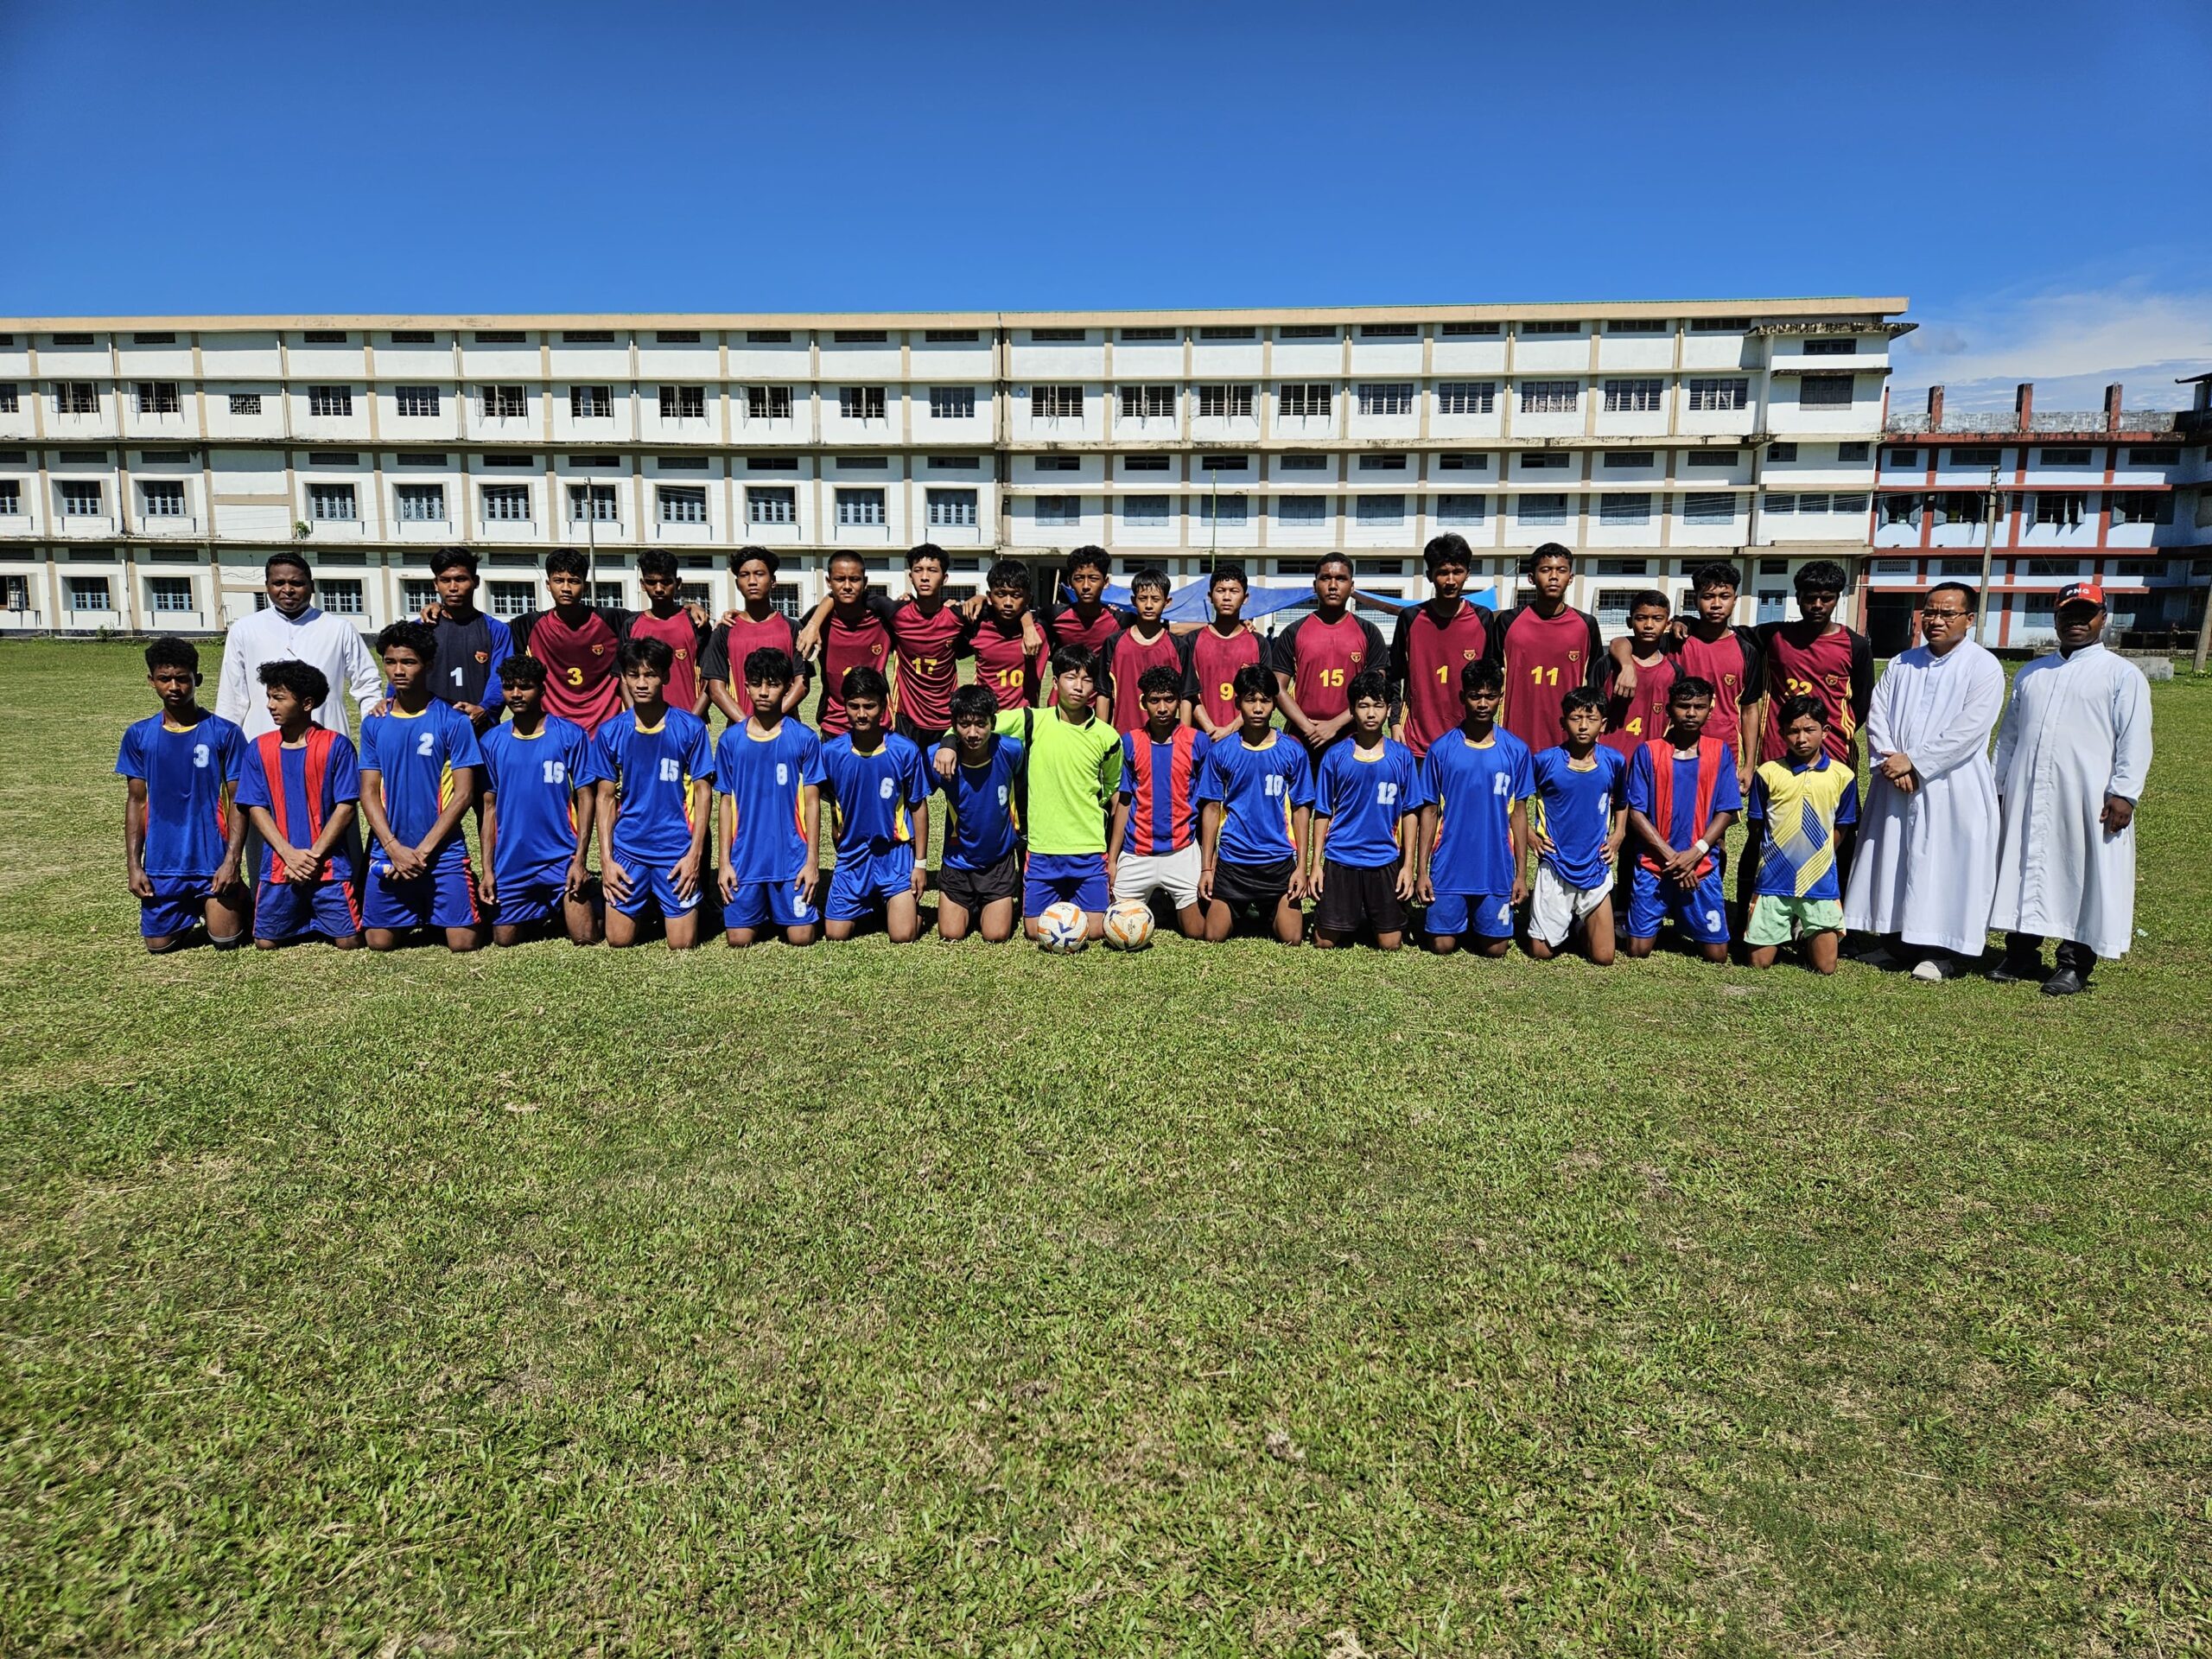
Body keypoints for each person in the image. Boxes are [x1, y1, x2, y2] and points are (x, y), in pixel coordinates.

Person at [1987, 582, 2152, 996]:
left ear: (2103, 618)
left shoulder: (2121, 675)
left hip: (2089, 794)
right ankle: (2021, 952)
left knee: (2082, 872)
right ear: (2056, 618)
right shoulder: (2032, 673)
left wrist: (2125, 792)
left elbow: (2134, 738)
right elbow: (2009, 736)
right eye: (2068, 614)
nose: (2076, 622)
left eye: (2086, 614)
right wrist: (1998, 784)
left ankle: (2074, 963)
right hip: (2028, 790)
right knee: (2022, 865)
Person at [1843, 583, 2005, 982]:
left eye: (1948, 614)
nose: (1936, 620)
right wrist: (1891, 760)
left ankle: (1940, 951)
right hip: (1894, 782)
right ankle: (1895, 943)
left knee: (1944, 864)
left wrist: (1915, 762)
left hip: (1951, 784)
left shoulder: (1983, 666)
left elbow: (1969, 729)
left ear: (1969, 619)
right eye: (1930, 612)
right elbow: (1877, 713)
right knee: (1893, 859)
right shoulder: (1902, 663)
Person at [938, 645, 1124, 941]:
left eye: (1087, 680)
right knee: (1035, 931)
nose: (1078, 686)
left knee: (1096, 931)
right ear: (1056, 681)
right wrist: (948, 743)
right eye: (1071, 677)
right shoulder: (1032, 720)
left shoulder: (1108, 736)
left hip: (1088, 846)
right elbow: (978, 721)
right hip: (1042, 847)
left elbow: (1112, 788)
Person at [356, 621, 484, 952]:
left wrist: (423, 852)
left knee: (463, 943)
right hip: (390, 850)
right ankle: (417, 907)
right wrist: (394, 848)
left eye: (408, 662)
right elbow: (368, 792)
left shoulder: (453, 721)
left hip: (442, 853)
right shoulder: (374, 723)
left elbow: (464, 794)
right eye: (390, 662)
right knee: (378, 942)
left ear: (428, 665)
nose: (398, 670)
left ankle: (452, 897)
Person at [117, 637, 248, 951]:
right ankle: (188, 909)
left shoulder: (225, 732)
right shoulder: (139, 735)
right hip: (162, 866)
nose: (174, 687)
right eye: (164, 679)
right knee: (158, 946)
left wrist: (231, 861)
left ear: (197, 679)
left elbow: (239, 801)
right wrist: (134, 866)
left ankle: (240, 898)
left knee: (226, 940)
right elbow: (137, 801)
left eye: (182, 678)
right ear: (152, 681)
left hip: (212, 864)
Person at [585, 636, 716, 950]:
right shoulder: (610, 732)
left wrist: (695, 855)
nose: (642, 683)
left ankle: (682, 902)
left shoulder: (690, 728)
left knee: (682, 944)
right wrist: (606, 860)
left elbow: (703, 792)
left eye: (650, 674)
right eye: (634, 675)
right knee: (618, 940)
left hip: (675, 849)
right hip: (629, 848)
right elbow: (604, 798)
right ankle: (642, 899)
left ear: (666, 676)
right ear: (624, 678)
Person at [233, 661, 364, 950]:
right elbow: (255, 807)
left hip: (327, 867)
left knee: (349, 941)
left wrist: (313, 857)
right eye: (269, 697)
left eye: (279, 698)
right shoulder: (258, 748)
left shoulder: (337, 745)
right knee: (266, 943)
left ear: (307, 704)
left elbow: (346, 808)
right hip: (280, 866)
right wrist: (289, 854)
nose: (270, 705)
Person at [794, 542, 969, 747]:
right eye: (840, 579)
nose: (847, 586)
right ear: (828, 582)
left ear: (865, 582)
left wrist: (969, 601)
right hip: (834, 726)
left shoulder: (884, 619)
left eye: (855, 579)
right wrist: (814, 624)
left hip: (880, 725)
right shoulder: (816, 620)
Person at [477, 654, 598, 948]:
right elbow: (489, 809)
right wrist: (488, 870)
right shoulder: (491, 742)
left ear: (542, 689)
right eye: (509, 687)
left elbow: (585, 796)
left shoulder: (570, 735)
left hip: (561, 859)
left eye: (525, 686)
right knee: (504, 940)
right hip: (513, 863)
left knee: (585, 937)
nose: (516, 694)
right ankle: (541, 909)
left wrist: (580, 860)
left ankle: (594, 900)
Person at [1415, 658, 1530, 957]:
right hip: (1450, 864)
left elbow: (1519, 813)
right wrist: (1421, 871)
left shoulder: (1517, 750)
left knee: (1495, 949)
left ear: (1500, 698)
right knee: (1442, 945)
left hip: (1495, 865)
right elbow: (1429, 811)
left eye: (1490, 696)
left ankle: (1478, 914)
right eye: (1475, 696)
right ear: (1462, 697)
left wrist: (1520, 874)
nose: (1482, 704)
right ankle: (1458, 912)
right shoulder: (1441, 749)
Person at [1623, 676, 1740, 963]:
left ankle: (1684, 917)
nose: (1691, 713)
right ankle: (1666, 913)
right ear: (1669, 709)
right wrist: (1673, 859)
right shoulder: (1648, 751)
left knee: (1717, 955)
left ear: (1710, 710)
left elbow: (1726, 810)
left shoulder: (1719, 751)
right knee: (1638, 950)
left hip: (1701, 865)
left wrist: (1696, 853)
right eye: (1683, 706)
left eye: (1699, 707)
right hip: (1655, 864)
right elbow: (1636, 813)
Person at [713, 647, 823, 949]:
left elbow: (813, 803)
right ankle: (760, 905)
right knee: (738, 939)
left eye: (773, 684)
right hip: (745, 859)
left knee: (802, 937)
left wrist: (812, 861)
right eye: (756, 683)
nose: (763, 692)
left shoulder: (804, 738)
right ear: (745, 685)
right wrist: (724, 863)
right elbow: (726, 803)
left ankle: (780, 904)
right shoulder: (730, 740)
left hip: (791, 859)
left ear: (787, 687)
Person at [1196, 663, 1313, 945]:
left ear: (1275, 704)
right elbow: (1211, 809)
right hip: (1234, 861)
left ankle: (1267, 907)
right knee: (1213, 935)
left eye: (1265, 700)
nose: (1258, 708)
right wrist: (1207, 868)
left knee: (1292, 937)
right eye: (1250, 700)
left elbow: (1301, 809)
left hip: (1277, 861)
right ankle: (1240, 906)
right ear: (1238, 703)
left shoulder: (1292, 751)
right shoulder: (1221, 751)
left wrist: (1301, 867)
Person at [1740, 695, 1859, 974]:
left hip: (1819, 882)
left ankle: (1807, 932)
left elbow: (1842, 827)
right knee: (1759, 963)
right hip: (1773, 881)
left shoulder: (1843, 776)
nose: (1801, 738)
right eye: (1793, 731)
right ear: (1782, 733)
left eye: (1809, 730)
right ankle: (1785, 929)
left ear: (1825, 731)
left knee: (1826, 967)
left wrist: (1819, 856)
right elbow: (1756, 825)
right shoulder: (1768, 772)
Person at [1307, 669, 1424, 950]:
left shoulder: (1402, 757)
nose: (1371, 713)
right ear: (1351, 710)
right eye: (1363, 706)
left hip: (1383, 859)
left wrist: (1408, 865)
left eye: (1378, 705)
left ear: (1388, 710)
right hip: (1341, 857)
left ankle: (1369, 911)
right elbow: (1322, 811)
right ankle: (1351, 909)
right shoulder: (1335, 756)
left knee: (1391, 943)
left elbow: (1410, 811)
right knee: (1324, 941)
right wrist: (1316, 865)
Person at [214, 552, 383, 740]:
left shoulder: (339, 629)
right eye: (279, 583)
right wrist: (224, 742)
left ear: (311, 586)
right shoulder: (244, 629)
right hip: (261, 739)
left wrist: (375, 732)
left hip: (327, 739)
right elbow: (232, 697)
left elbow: (367, 685)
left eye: (297, 583)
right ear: (267, 586)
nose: (287, 590)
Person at [818, 665, 931, 943]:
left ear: (883, 706)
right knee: (835, 934)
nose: (861, 714)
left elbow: (918, 807)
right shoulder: (830, 753)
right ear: (844, 705)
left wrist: (920, 864)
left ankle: (904, 909)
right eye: (853, 706)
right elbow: (827, 802)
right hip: (852, 857)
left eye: (869, 706)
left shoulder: (905, 751)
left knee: (903, 935)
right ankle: (878, 902)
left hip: (894, 855)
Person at [1526, 684, 1627, 964]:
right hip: (1555, 863)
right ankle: (1566, 921)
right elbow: (1517, 801)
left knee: (1604, 957)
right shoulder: (1544, 761)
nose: (1583, 726)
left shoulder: (1614, 762)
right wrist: (1530, 836)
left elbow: (1622, 801)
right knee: (1541, 953)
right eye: (1575, 718)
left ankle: (1580, 924)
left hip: (1595, 865)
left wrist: (1619, 833)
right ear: (1563, 722)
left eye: (1591, 719)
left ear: (1603, 724)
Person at [1109, 665, 1211, 938]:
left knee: (1197, 932)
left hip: (1182, 851)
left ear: (1179, 701)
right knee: (1115, 929)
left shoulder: (1198, 742)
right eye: (1155, 700)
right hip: (1137, 852)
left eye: (1169, 699)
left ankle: (1167, 902)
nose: (1163, 708)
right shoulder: (1130, 741)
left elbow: (1207, 806)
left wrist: (1207, 862)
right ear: (1144, 702)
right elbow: (1125, 801)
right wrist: (1113, 859)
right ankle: (1157, 900)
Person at [1756, 559, 1874, 768]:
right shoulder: (1773, 636)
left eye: (1826, 598)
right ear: (1798, 598)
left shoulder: (1855, 645)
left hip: (1833, 749)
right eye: (1810, 598)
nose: (1818, 605)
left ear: (1837, 599)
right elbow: (1724, 634)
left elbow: (1862, 703)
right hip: (1778, 749)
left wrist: (1833, 729)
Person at [1490, 543, 1604, 755]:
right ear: (1531, 578)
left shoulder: (1586, 625)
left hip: (1567, 743)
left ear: (1570, 577)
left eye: (1561, 570)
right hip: (1514, 739)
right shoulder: (1508, 621)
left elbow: (1596, 685)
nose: (1553, 577)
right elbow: (1491, 676)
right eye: (1545, 570)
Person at [1272, 552, 1389, 758]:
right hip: (1303, 739)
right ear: (1315, 585)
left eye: (1341, 579)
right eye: (1325, 578)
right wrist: (1309, 728)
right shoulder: (1293, 632)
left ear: (1352, 587)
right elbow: (1277, 688)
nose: (1333, 585)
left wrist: (1335, 724)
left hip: (1353, 739)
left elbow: (1377, 689)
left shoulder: (1369, 632)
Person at [932, 683, 1025, 944]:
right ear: (954, 725)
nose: (973, 733)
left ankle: (989, 904)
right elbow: (916, 799)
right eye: (964, 725)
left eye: (981, 724)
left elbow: (1022, 787)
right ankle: (971, 904)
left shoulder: (1011, 750)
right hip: (957, 862)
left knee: (996, 935)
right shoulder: (938, 758)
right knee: (950, 934)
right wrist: (947, 742)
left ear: (992, 723)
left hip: (998, 861)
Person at [1389, 532, 1492, 760]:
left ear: (1468, 574)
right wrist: (1395, 722)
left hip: (1467, 740)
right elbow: (1394, 675)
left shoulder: (1483, 618)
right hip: (1416, 742)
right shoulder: (1410, 618)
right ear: (1430, 575)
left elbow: (1490, 681)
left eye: (1458, 572)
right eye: (1443, 572)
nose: (1451, 580)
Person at [399, 549, 513, 733]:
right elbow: (402, 676)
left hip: (478, 729)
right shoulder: (419, 629)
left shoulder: (496, 630)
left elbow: (500, 678)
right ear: (436, 584)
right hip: (427, 729)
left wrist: (485, 708)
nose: (453, 587)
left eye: (461, 579)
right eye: (445, 580)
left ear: (475, 582)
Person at [512, 550, 626, 736]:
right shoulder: (528, 625)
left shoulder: (613, 620)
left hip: (604, 732)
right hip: (554, 732)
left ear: (585, 586)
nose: (566, 588)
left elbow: (653, 620)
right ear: (548, 584)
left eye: (573, 581)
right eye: (558, 581)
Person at [700, 547, 810, 725]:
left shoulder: (792, 628)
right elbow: (716, 689)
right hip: (740, 727)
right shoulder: (724, 631)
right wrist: (747, 724)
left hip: (784, 728)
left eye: (759, 574)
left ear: (773, 581)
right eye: (744, 575)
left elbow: (802, 684)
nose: (752, 581)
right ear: (737, 583)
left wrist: (771, 718)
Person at [1096, 566, 1192, 734]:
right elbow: (1104, 693)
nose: (1148, 605)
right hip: (1123, 736)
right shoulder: (1114, 643)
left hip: (1166, 740)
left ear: (1167, 602)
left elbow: (1187, 696)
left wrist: (1184, 739)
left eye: (1155, 599)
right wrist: (1101, 736)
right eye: (1143, 599)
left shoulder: (1179, 646)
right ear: (1134, 601)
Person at [628, 550, 714, 718]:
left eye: (666, 582)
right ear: (643, 584)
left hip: (688, 719)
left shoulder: (696, 623)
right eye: (651, 582)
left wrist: (692, 719)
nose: (659, 589)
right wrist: (635, 717)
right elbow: (622, 679)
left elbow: (710, 676)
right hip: (644, 723)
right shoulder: (631, 624)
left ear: (678, 583)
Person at [1184, 563, 1263, 739]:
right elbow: (1189, 693)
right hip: (1203, 737)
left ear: (1245, 598)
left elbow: (1263, 695)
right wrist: (1211, 729)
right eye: (1220, 591)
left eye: (1234, 591)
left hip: (1245, 740)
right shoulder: (1191, 641)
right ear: (1210, 597)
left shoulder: (1258, 642)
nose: (1227, 597)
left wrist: (1229, 730)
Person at [961, 559, 1049, 713]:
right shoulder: (977, 625)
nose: (1008, 602)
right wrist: (977, 598)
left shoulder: (1042, 630)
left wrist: (1028, 624)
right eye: (1001, 594)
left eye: (1016, 595)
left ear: (1029, 598)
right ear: (990, 597)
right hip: (986, 717)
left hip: (1025, 719)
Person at [1601, 589, 1676, 757]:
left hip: (1651, 760)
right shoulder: (1608, 664)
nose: (1649, 625)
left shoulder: (1674, 671)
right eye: (1641, 618)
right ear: (1630, 622)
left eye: (1657, 619)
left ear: (1668, 624)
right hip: (1607, 759)